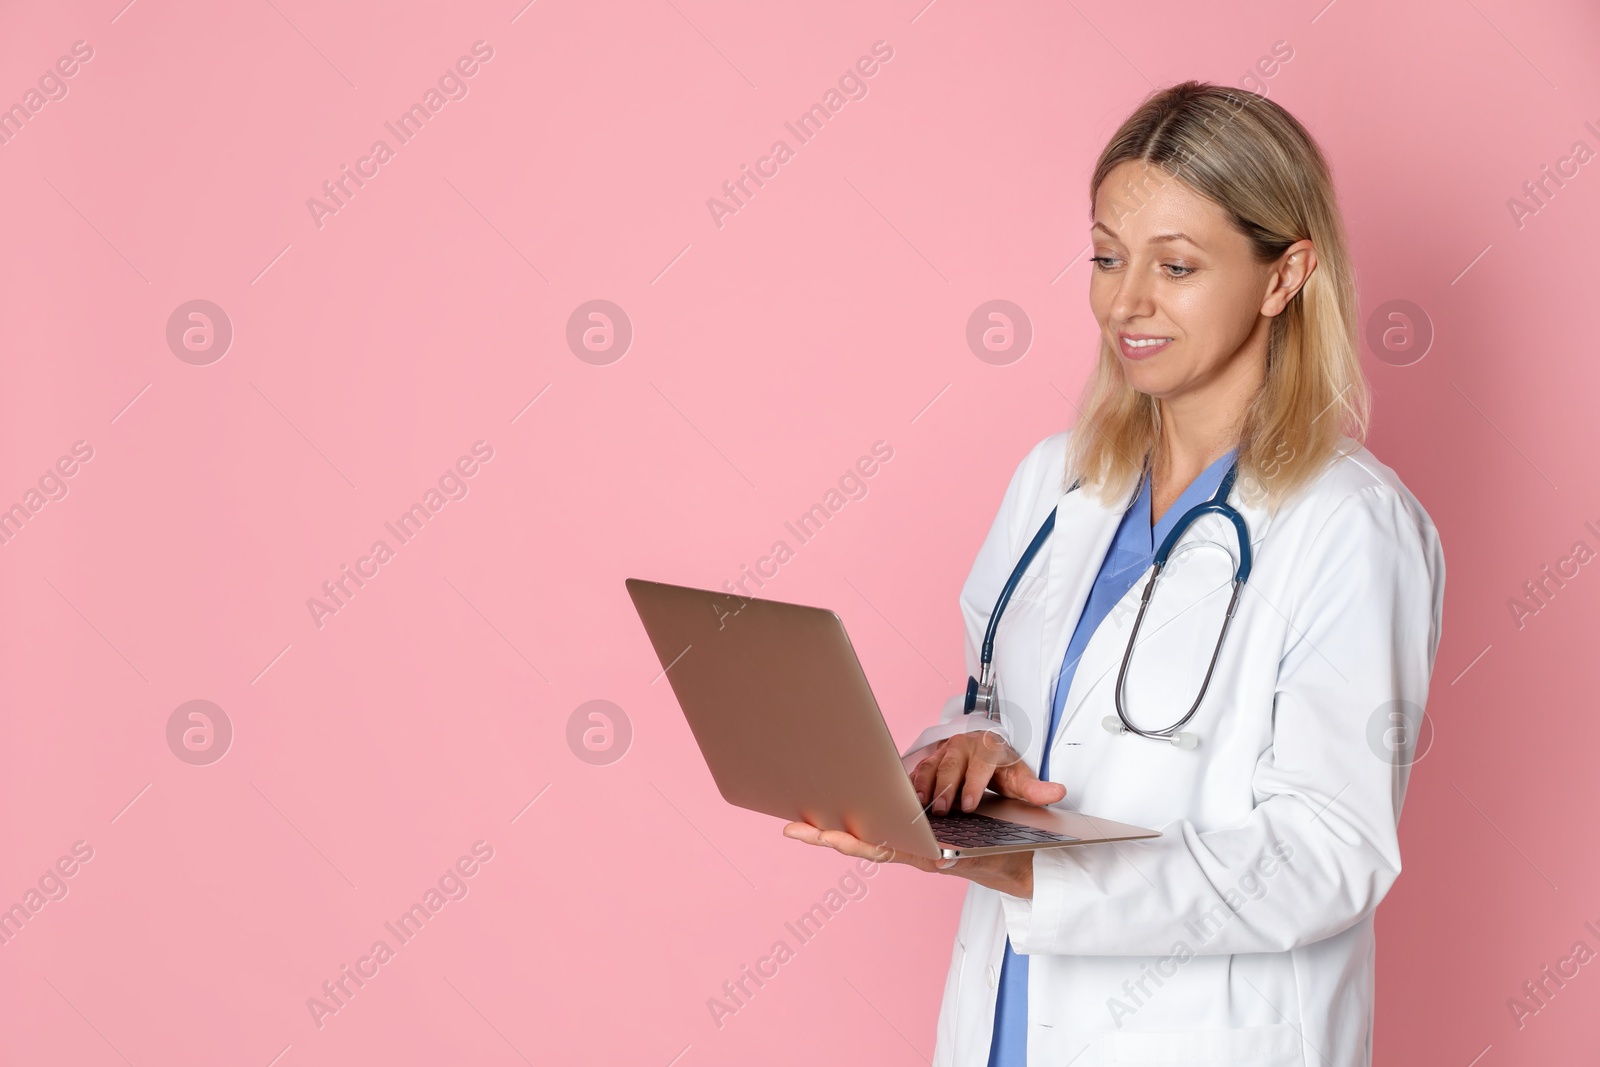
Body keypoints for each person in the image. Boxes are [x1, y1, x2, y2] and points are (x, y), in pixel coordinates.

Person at [782, 81, 1446, 1067]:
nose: (1123, 301)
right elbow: (994, 699)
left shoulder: (1348, 524)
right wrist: (962, 758)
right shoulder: (1057, 481)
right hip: (1008, 1019)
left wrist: (1029, 870)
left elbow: (1325, 856)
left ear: (1283, 275)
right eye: (1105, 256)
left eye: (1175, 265)